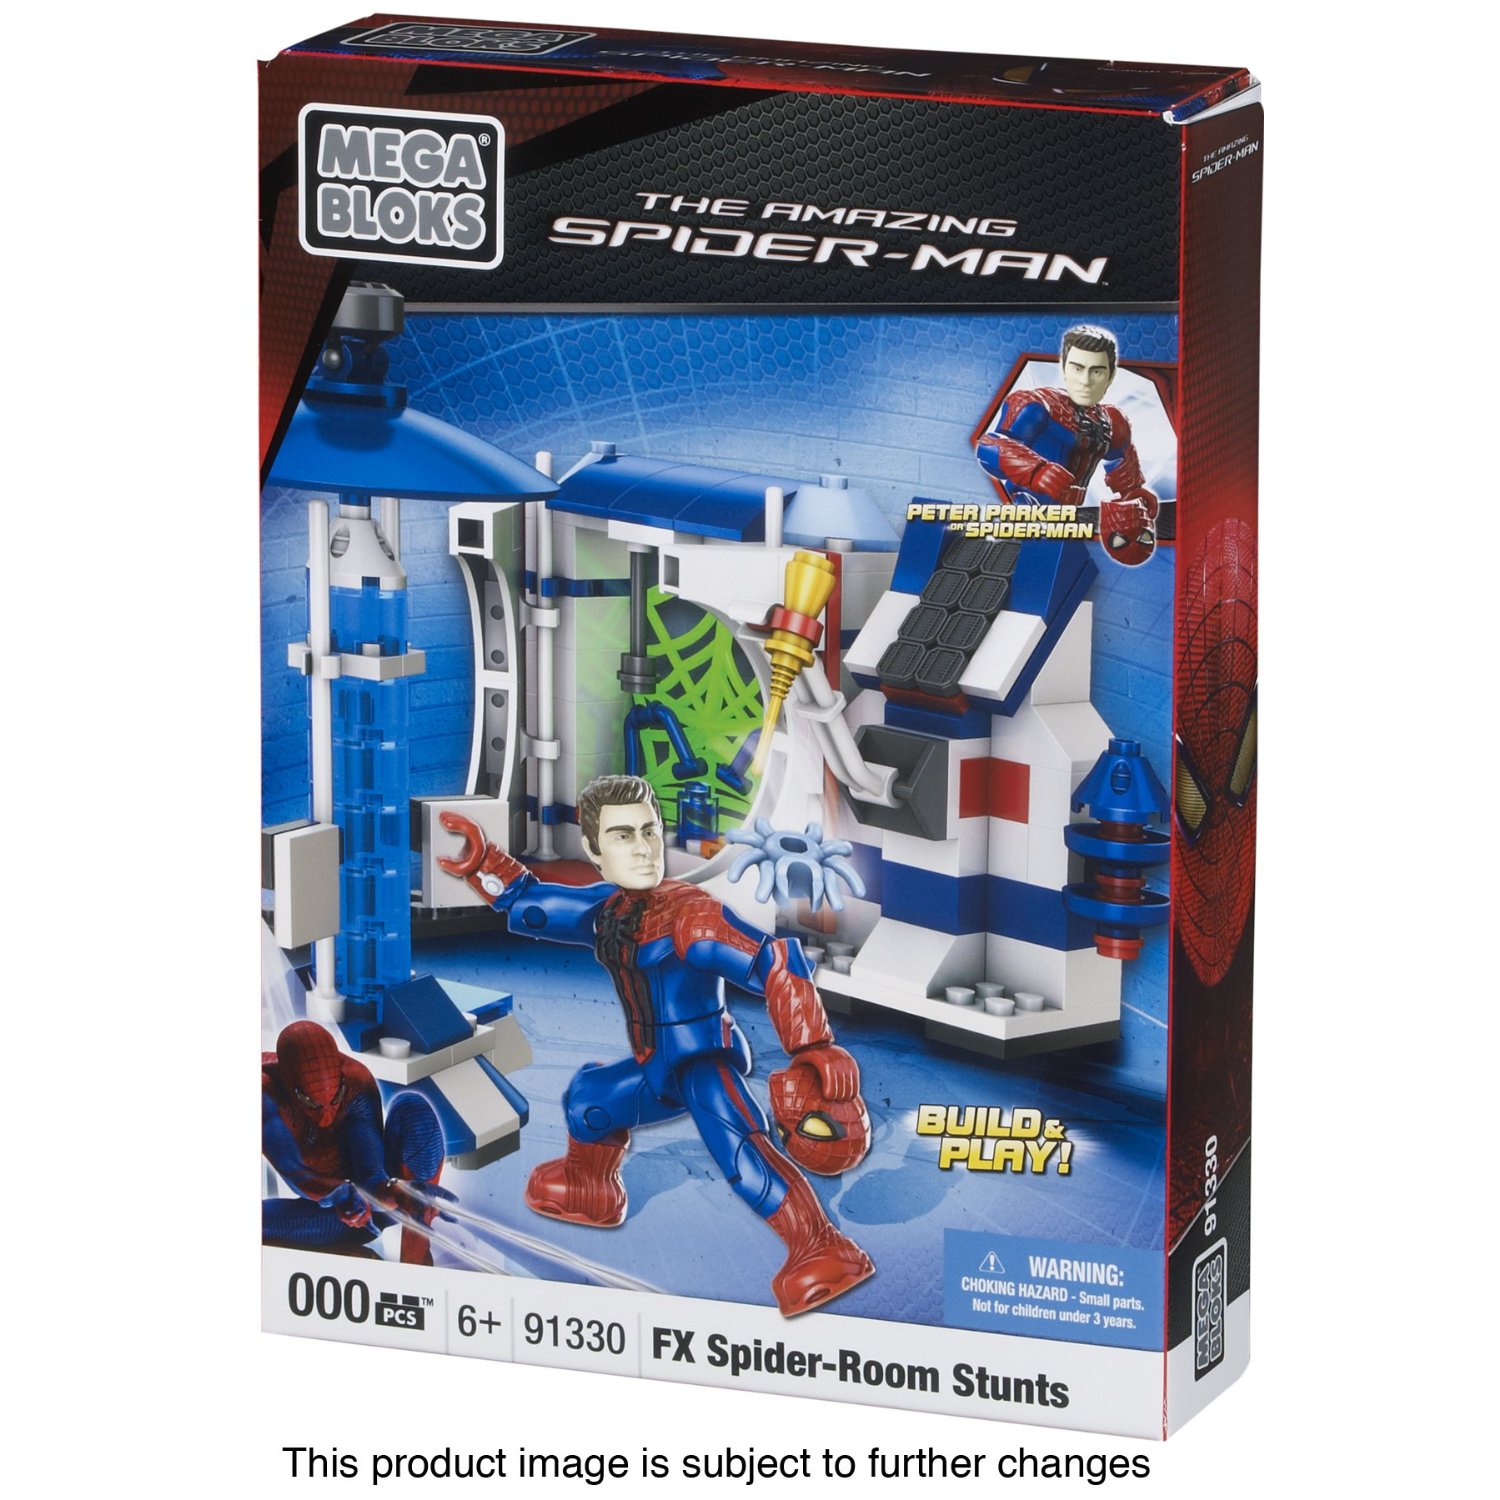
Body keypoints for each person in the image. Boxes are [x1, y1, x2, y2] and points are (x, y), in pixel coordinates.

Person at [438, 774, 874, 1316]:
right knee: (590, 1100)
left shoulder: (692, 918)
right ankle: (590, 1186)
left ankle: (820, 1246)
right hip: (654, 1070)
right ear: (594, 850)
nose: (644, 848)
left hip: (701, 1061)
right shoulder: (609, 910)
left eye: (649, 830)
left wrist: (813, 1044)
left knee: (740, 1150)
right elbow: (533, 904)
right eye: (623, 836)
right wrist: (484, 864)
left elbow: (772, 961)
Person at [262, 1019, 449, 1265]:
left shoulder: (355, 1079)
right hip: (331, 1216)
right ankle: (339, 1253)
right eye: (311, 1103)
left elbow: (370, 1170)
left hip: (376, 1206)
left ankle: (416, 1252)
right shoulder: (264, 1092)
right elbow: (296, 1174)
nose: (327, 1117)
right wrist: (342, 1195)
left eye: (335, 1098)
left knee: (414, 1109)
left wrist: (392, 1191)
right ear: (288, 1083)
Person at [978, 324, 1160, 564]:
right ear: (1064, 367)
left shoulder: (1112, 420)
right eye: (1077, 368)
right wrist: (1036, 470)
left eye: (1096, 371)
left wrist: (1132, 493)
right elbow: (990, 446)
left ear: (1110, 375)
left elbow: (1121, 460)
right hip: (1027, 506)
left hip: (1072, 517)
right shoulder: (1037, 404)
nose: (1085, 381)